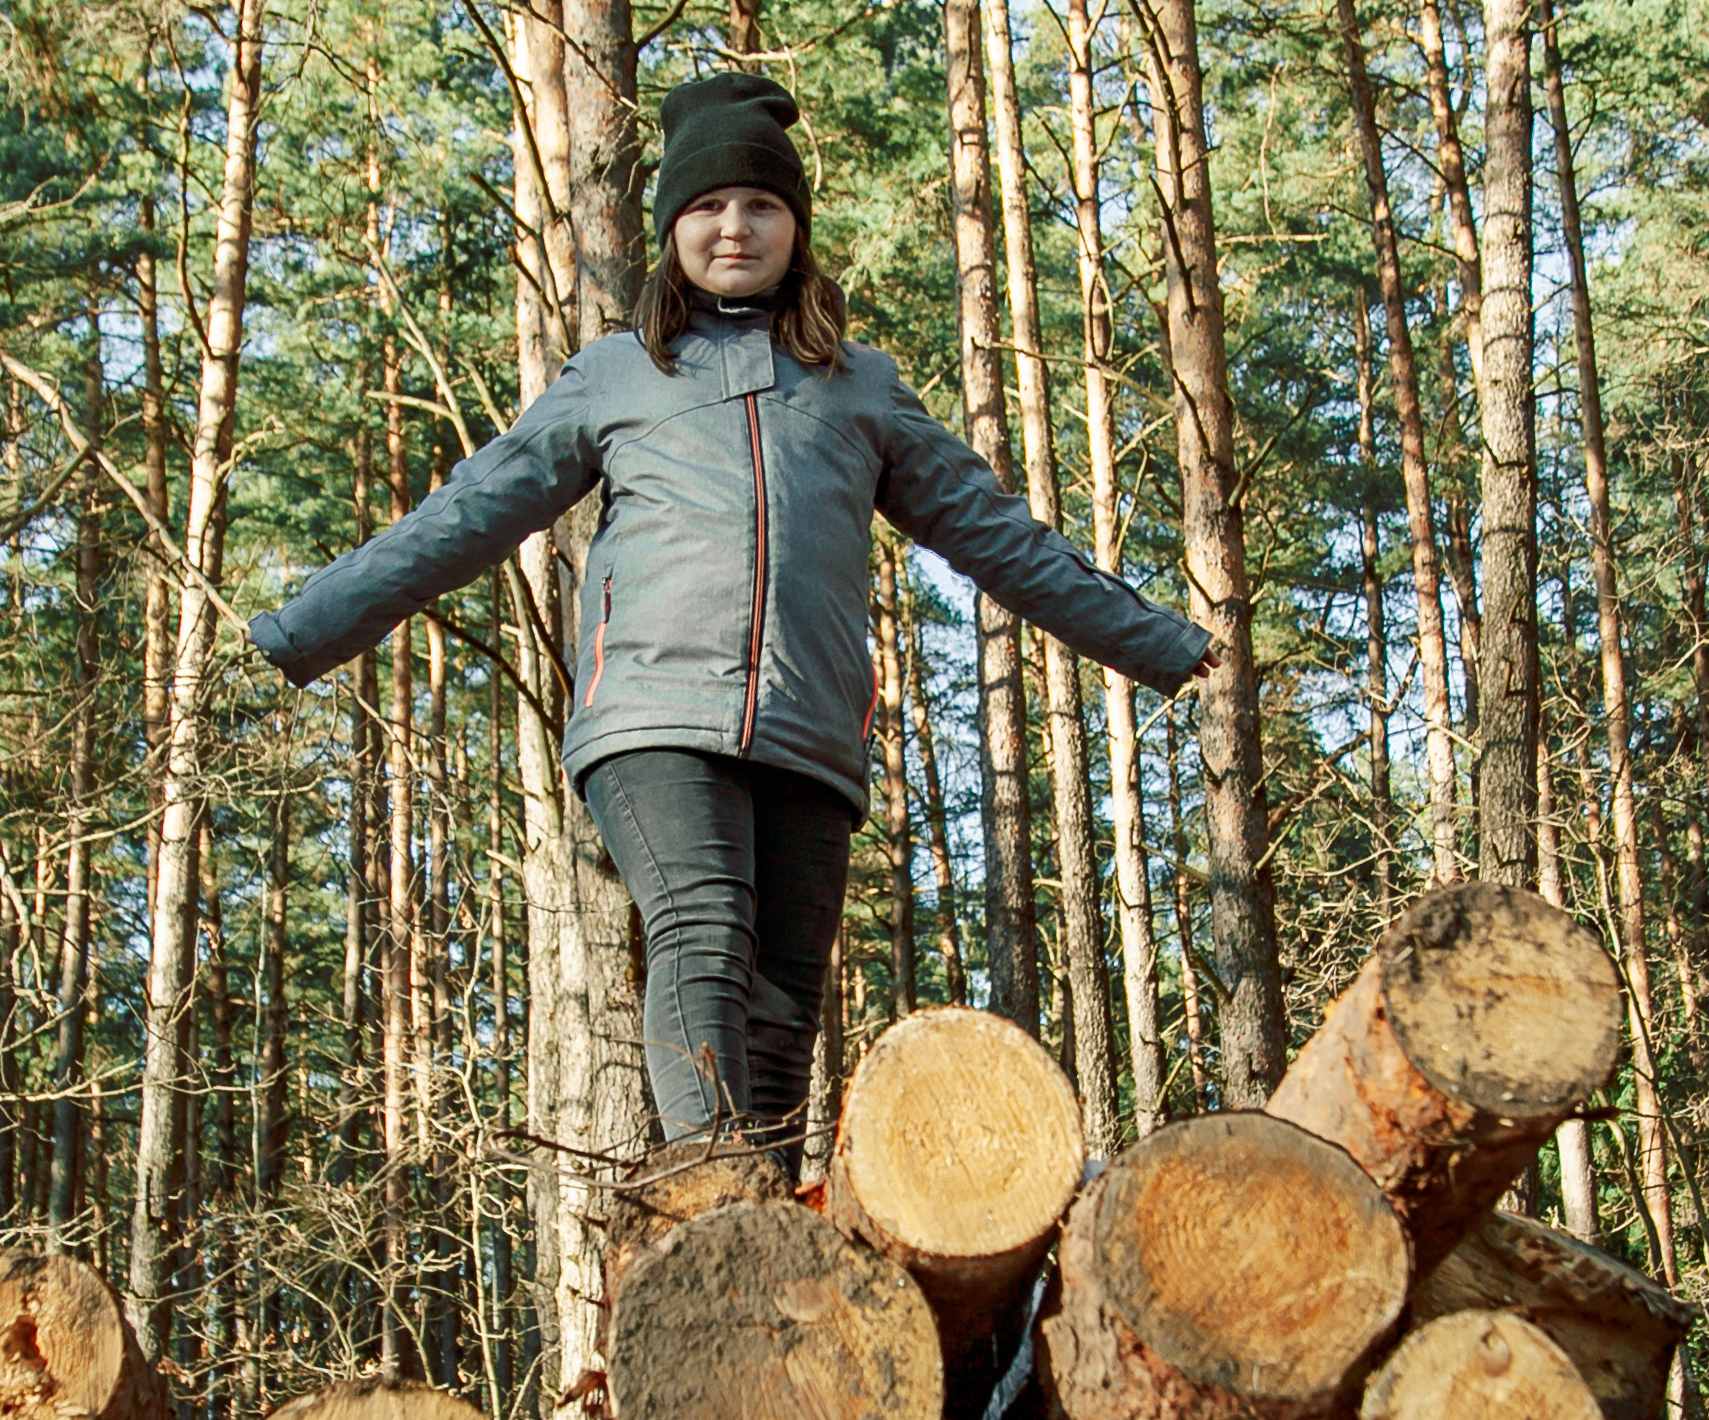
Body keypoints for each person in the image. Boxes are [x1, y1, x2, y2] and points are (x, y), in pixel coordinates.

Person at [249, 70, 1214, 1162]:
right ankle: (715, 1203)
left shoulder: (858, 389)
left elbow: (999, 538)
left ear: (795, 229)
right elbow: (464, 513)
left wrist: (1169, 647)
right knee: (702, 929)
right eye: (706, 207)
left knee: (780, 1014)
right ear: (671, 232)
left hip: (807, 731)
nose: (733, 226)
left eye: (758, 205)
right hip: (653, 716)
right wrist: (299, 630)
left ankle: (748, 1272)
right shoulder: (617, 376)